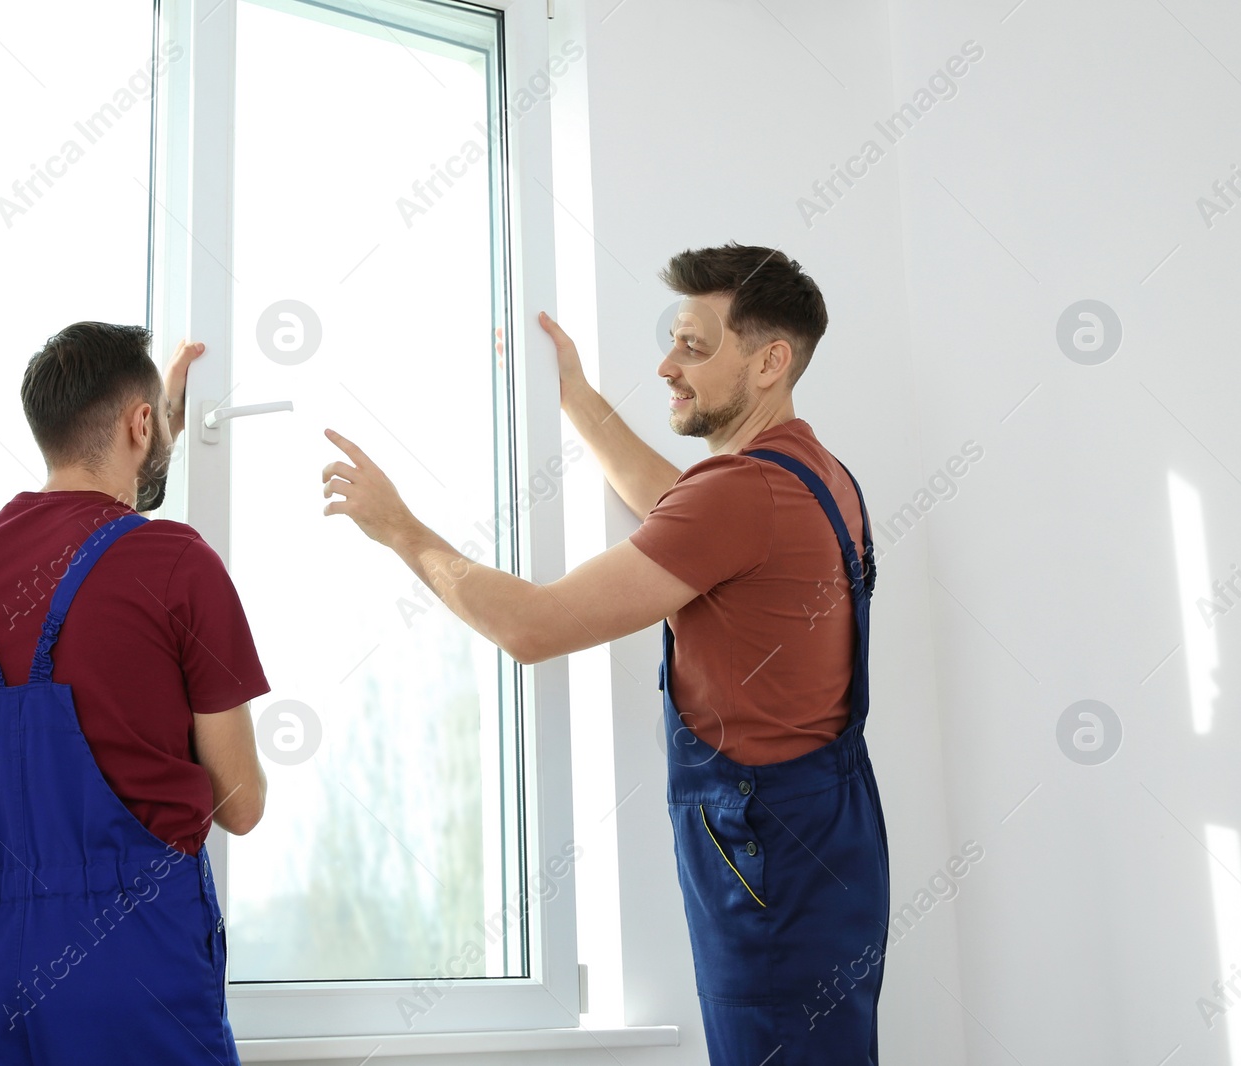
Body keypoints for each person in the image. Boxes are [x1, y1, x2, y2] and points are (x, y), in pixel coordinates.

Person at [321, 243, 889, 1063]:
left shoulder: (739, 495)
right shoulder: (815, 475)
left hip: (767, 856)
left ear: (770, 362)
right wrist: (577, 400)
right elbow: (676, 503)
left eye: (695, 346)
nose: (666, 364)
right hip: (834, 839)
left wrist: (400, 528)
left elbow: (533, 627)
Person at [0, 322, 270, 1065]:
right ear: (141, 424)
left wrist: (152, 425)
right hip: (131, 956)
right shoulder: (177, 561)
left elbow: (85, 568)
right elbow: (239, 805)